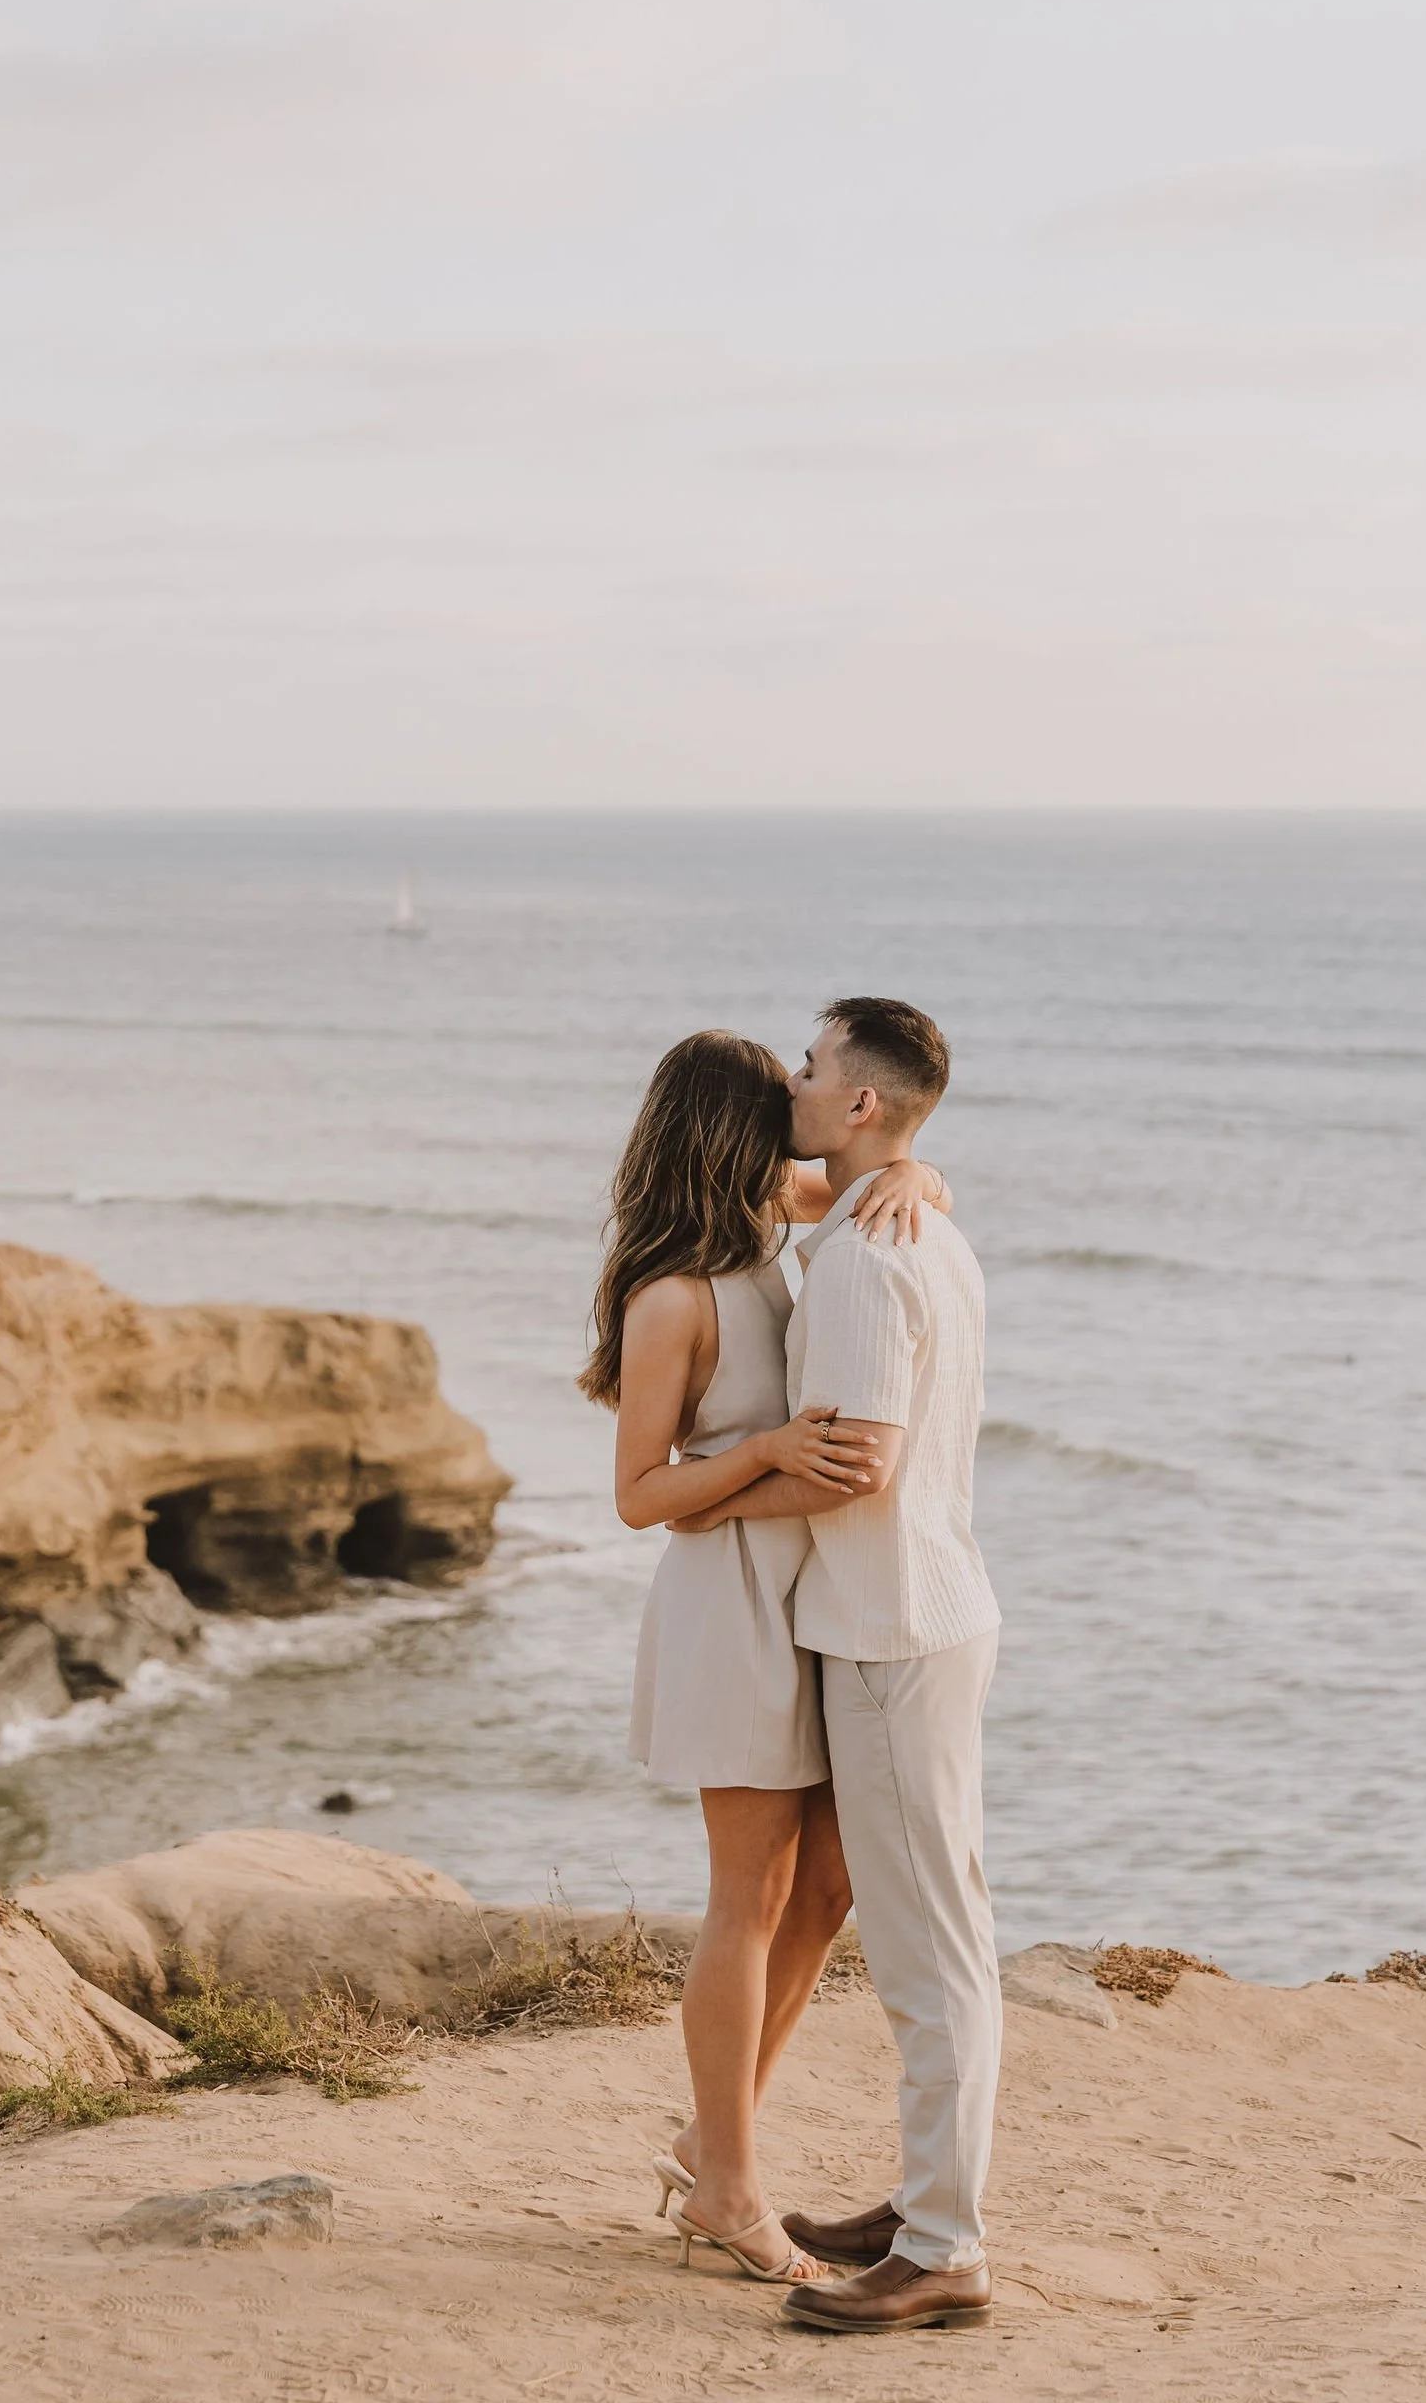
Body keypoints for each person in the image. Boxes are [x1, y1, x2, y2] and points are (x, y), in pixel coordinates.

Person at [580, 1028, 950, 2286]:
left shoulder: (772, 1221)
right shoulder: (673, 1293)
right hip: (727, 1608)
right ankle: (730, 2185)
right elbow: (639, 1493)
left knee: (828, 1883)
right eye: (777, 1094)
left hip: (805, 1595)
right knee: (748, 1895)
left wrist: (917, 1177)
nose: (802, 1102)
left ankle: (708, 2132)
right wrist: (768, 1456)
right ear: (735, 1126)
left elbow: (882, 1172)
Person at [663, 999, 1000, 2335]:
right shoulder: (918, 1222)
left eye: (810, 1069)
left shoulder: (865, 1259)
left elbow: (853, 1462)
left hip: (886, 1631)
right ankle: (925, 2210)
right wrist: (914, 1165)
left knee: (932, 1956)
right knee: (929, 1931)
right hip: (920, 1616)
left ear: (862, 1104)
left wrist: (702, 1496)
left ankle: (944, 2251)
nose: (793, 1081)